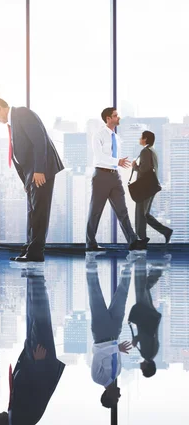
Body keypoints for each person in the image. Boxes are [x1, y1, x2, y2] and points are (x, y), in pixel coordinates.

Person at [0, 96, 64, 262]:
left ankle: (36, 253)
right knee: (32, 212)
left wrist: (39, 170)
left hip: (41, 170)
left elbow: (40, 141)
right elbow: (20, 155)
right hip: (31, 173)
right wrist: (26, 181)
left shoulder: (22, 114)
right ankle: (29, 249)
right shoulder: (13, 122)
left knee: (40, 212)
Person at [0, 267, 65, 425]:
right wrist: (39, 364)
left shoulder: (14, 417)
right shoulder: (21, 419)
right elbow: (39, 394)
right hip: (40, 359)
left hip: (33, 357)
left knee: (35, 314)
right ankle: (36, 268)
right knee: (41, 317)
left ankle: (34, 271)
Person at [86, 108, 149, 251]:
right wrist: (117, 161)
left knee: (122, 210)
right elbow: (99, 156)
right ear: (108, 118)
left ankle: (133, 241)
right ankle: (91, 243)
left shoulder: (116, 137)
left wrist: (119, 164)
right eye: (115, 116)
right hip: (101, 176)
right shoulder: (99, 135)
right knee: (95, 211)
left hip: (115, 176)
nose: (118, 117)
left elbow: (116, 158)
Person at [86, 253, 134, 409]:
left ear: (107, 396)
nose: (119, 396)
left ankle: (90, 259)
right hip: (114, 332)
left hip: (100, 333)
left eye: (116, 399)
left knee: (95, 294)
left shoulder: (97, 378)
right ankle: (129, 262)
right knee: (123, 294)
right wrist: (118, 346)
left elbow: (98, 354)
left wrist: (117, 348)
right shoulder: (117, 373)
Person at [133, 130, 173, 244]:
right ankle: (165, 231)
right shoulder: (152, 151)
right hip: (151, 186)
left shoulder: (145, 151)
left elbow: (144, 170)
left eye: (141, 137)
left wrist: (135, 166)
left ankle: (141, 239)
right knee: (145, 214)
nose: (139, 139)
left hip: (144, 187)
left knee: (140, 214)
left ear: (145, 139)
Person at [129, 255, 165, 378]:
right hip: (145, 315)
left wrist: (138, 338)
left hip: (150, 315)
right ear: (147, 368)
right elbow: (145, 335)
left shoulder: (152, 354)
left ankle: (157, 268)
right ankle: (145, 260)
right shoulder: (146, 354)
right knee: (141, 288)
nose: (140, 369)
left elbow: (150, 336)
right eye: (143, 371)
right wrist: (136, 340)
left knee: (144, 289)